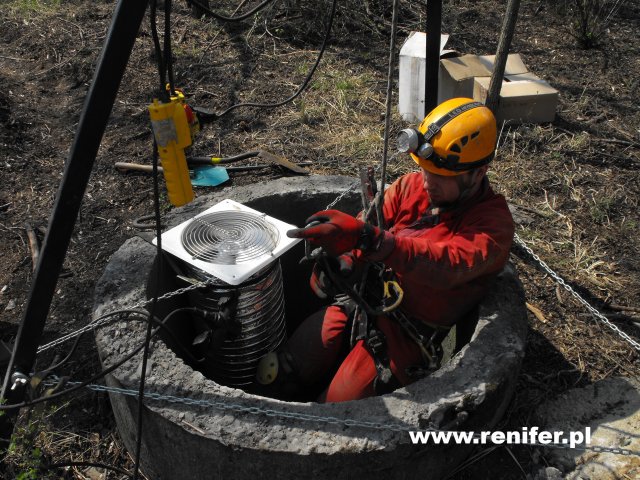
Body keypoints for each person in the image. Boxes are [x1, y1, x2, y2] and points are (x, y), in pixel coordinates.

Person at [256, 97, 515, 403]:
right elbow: (369, 226)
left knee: (337, 410)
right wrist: (342, 263)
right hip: (362, 304)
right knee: (280, 369)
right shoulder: (412, 187)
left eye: (441, 177)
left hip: (404, 337)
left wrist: (371, 241)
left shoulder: (491, 227)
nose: (428, 182)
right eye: (425, 170)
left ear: (478, 172)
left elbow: (445, 264)